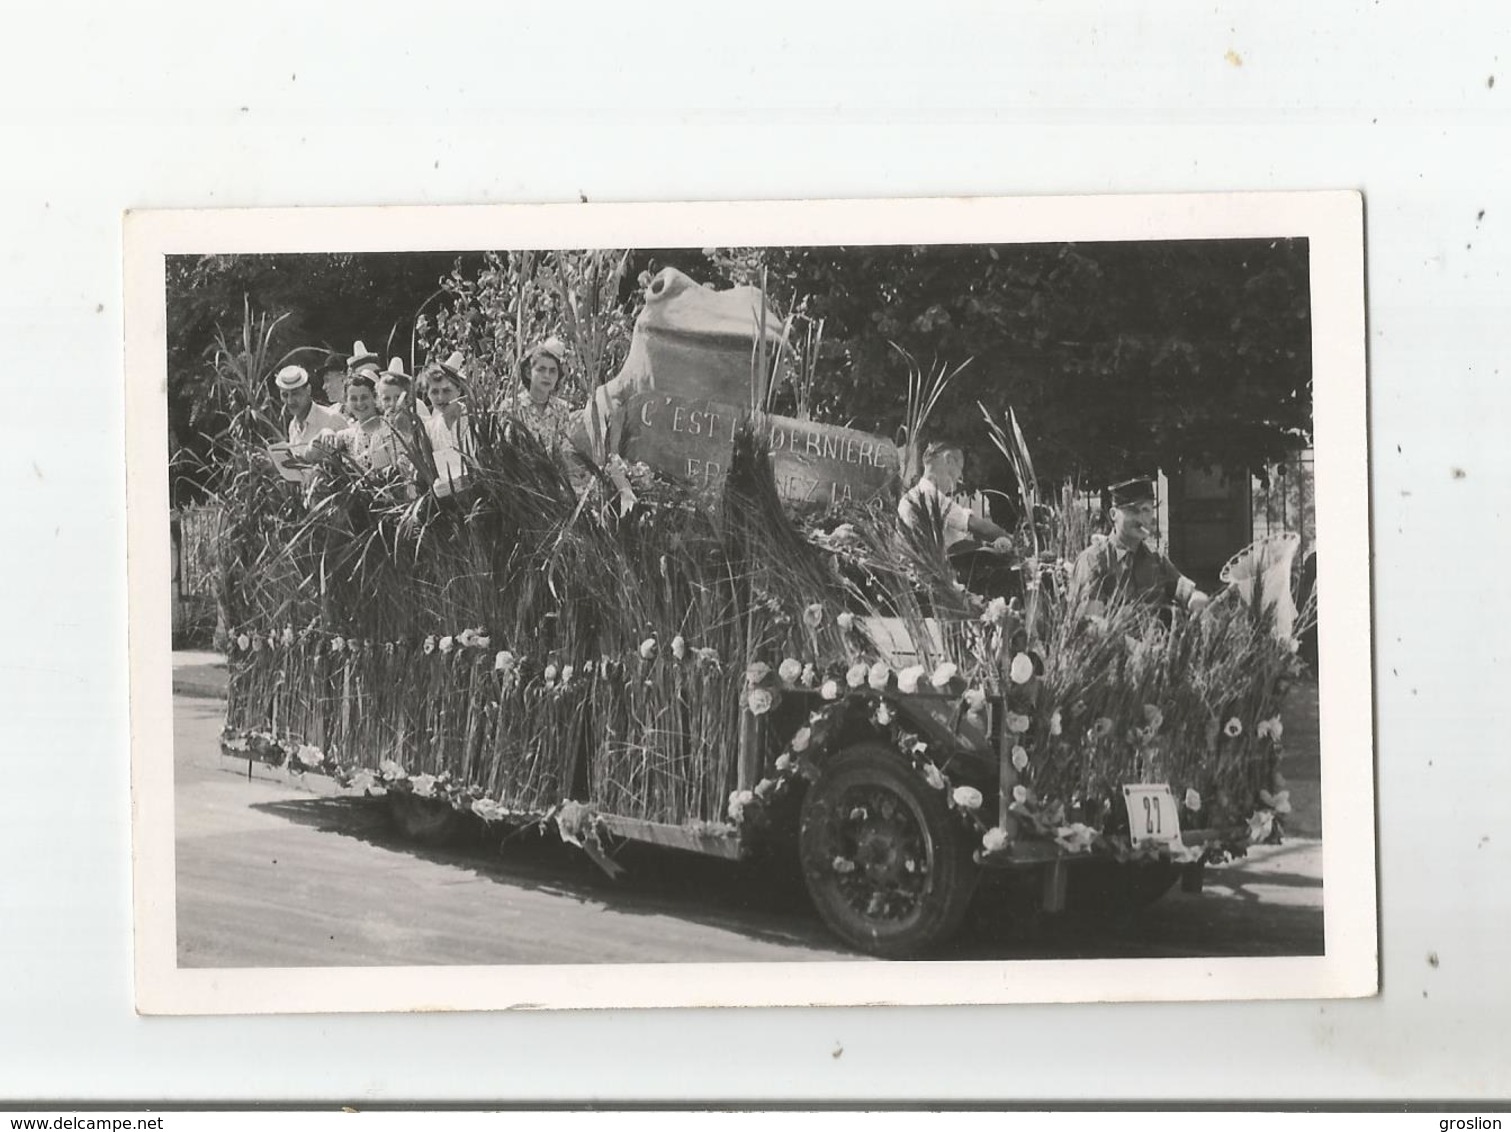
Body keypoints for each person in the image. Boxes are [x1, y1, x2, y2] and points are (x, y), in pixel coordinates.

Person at [1070, 476, 1210, 614]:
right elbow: (1091, 623)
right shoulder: (1094, 561)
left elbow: (1187, 592)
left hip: (1157, 636)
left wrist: (1197, 602)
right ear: (1114, 514)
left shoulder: (1156, 560)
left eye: (1146, 510)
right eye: (1133, 510)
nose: (1140, 519)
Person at [898, 441, 1017, 597]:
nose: (959, 477)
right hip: (934, 582)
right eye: (959, 468)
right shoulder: (929, 496)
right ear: (948, 460)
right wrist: (1011, 541)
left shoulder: (910, 496)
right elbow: (978, 527)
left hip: (916, 578)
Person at [323, 374, 404, 473]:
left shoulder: (390, 430)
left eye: (364, 397)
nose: (359, 403)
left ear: (374, 398)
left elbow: (404, 470)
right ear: (346, 401)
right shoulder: (348, 435)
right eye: (353, 399)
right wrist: (326, 431)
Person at [510, 337, 575, 458]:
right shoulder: (512, 407)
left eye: (552, 371)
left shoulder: (561, 409)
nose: (547, 376)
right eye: (541, 369)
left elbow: (564, 451)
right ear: (529, 373)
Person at [275, 364, 348, 458]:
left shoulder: (332, 419)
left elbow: (351, 464)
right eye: (285, 395)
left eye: (295, 394)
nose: (290, 401)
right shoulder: (293, 426)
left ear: (308, 390)